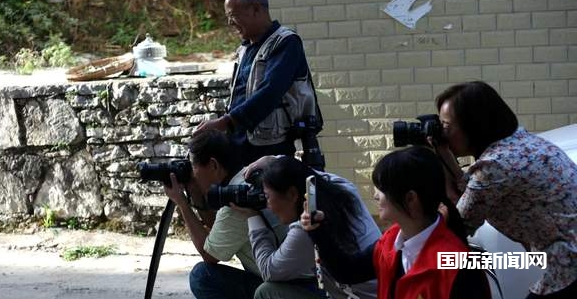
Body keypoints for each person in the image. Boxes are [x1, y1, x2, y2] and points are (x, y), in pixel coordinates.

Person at [432, 81, 577, 298]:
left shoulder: (494, 165)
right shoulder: (521, 142)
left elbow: (456, 227)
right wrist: (446, 157)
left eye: (445, 126)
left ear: (473, 126)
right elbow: (475, 190)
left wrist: (438, 169)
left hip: (567, 265)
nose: (442, 134)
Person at [302, 146, 491, 299]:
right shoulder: (390, 241)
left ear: (410, 199)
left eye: (381, 189)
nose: (376, 196)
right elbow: (348, 271)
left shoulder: (459, 266)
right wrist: (318, 229)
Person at [194, 0, 318, 166]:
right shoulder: (244, 49)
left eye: (233, 15)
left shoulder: (286, 43)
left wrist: (226, 122)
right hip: (240, 147)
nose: (229, 23)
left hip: (272, 150)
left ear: (256, 9)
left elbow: (270, 92)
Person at [162, 129, 286, 299]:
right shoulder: (245, 180)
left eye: (194, 168)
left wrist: (182, 203)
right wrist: (196, 195)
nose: (193, 175)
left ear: (213, 165)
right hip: (289, 280)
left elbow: (210, 255)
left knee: (202, 276)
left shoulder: (238, 202)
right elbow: (217, 230)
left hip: (282, 288)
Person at [243, 156, 381, 299]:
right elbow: (308, 174)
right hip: (377, 290)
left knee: (267, 292)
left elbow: (268, 271)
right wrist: (273, 161)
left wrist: (252, 216)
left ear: (292, 194)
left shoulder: (309, 227)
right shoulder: (342, 187)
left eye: (267, 197)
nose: (267, 206)